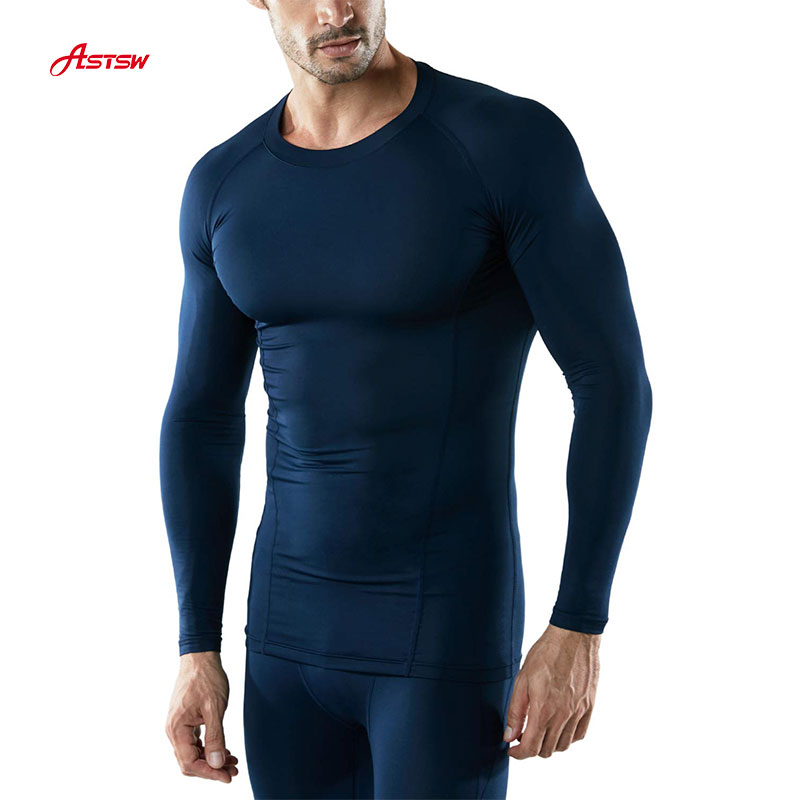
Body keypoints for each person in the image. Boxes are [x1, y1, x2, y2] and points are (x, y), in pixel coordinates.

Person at [160, 1, 653, 797]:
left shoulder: (502, 144)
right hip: (283, 646)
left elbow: (610, 382)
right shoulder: (225, 181)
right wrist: (196, 645)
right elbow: (201, 418)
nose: (336, 10)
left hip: (442, 639)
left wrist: (579, 623)